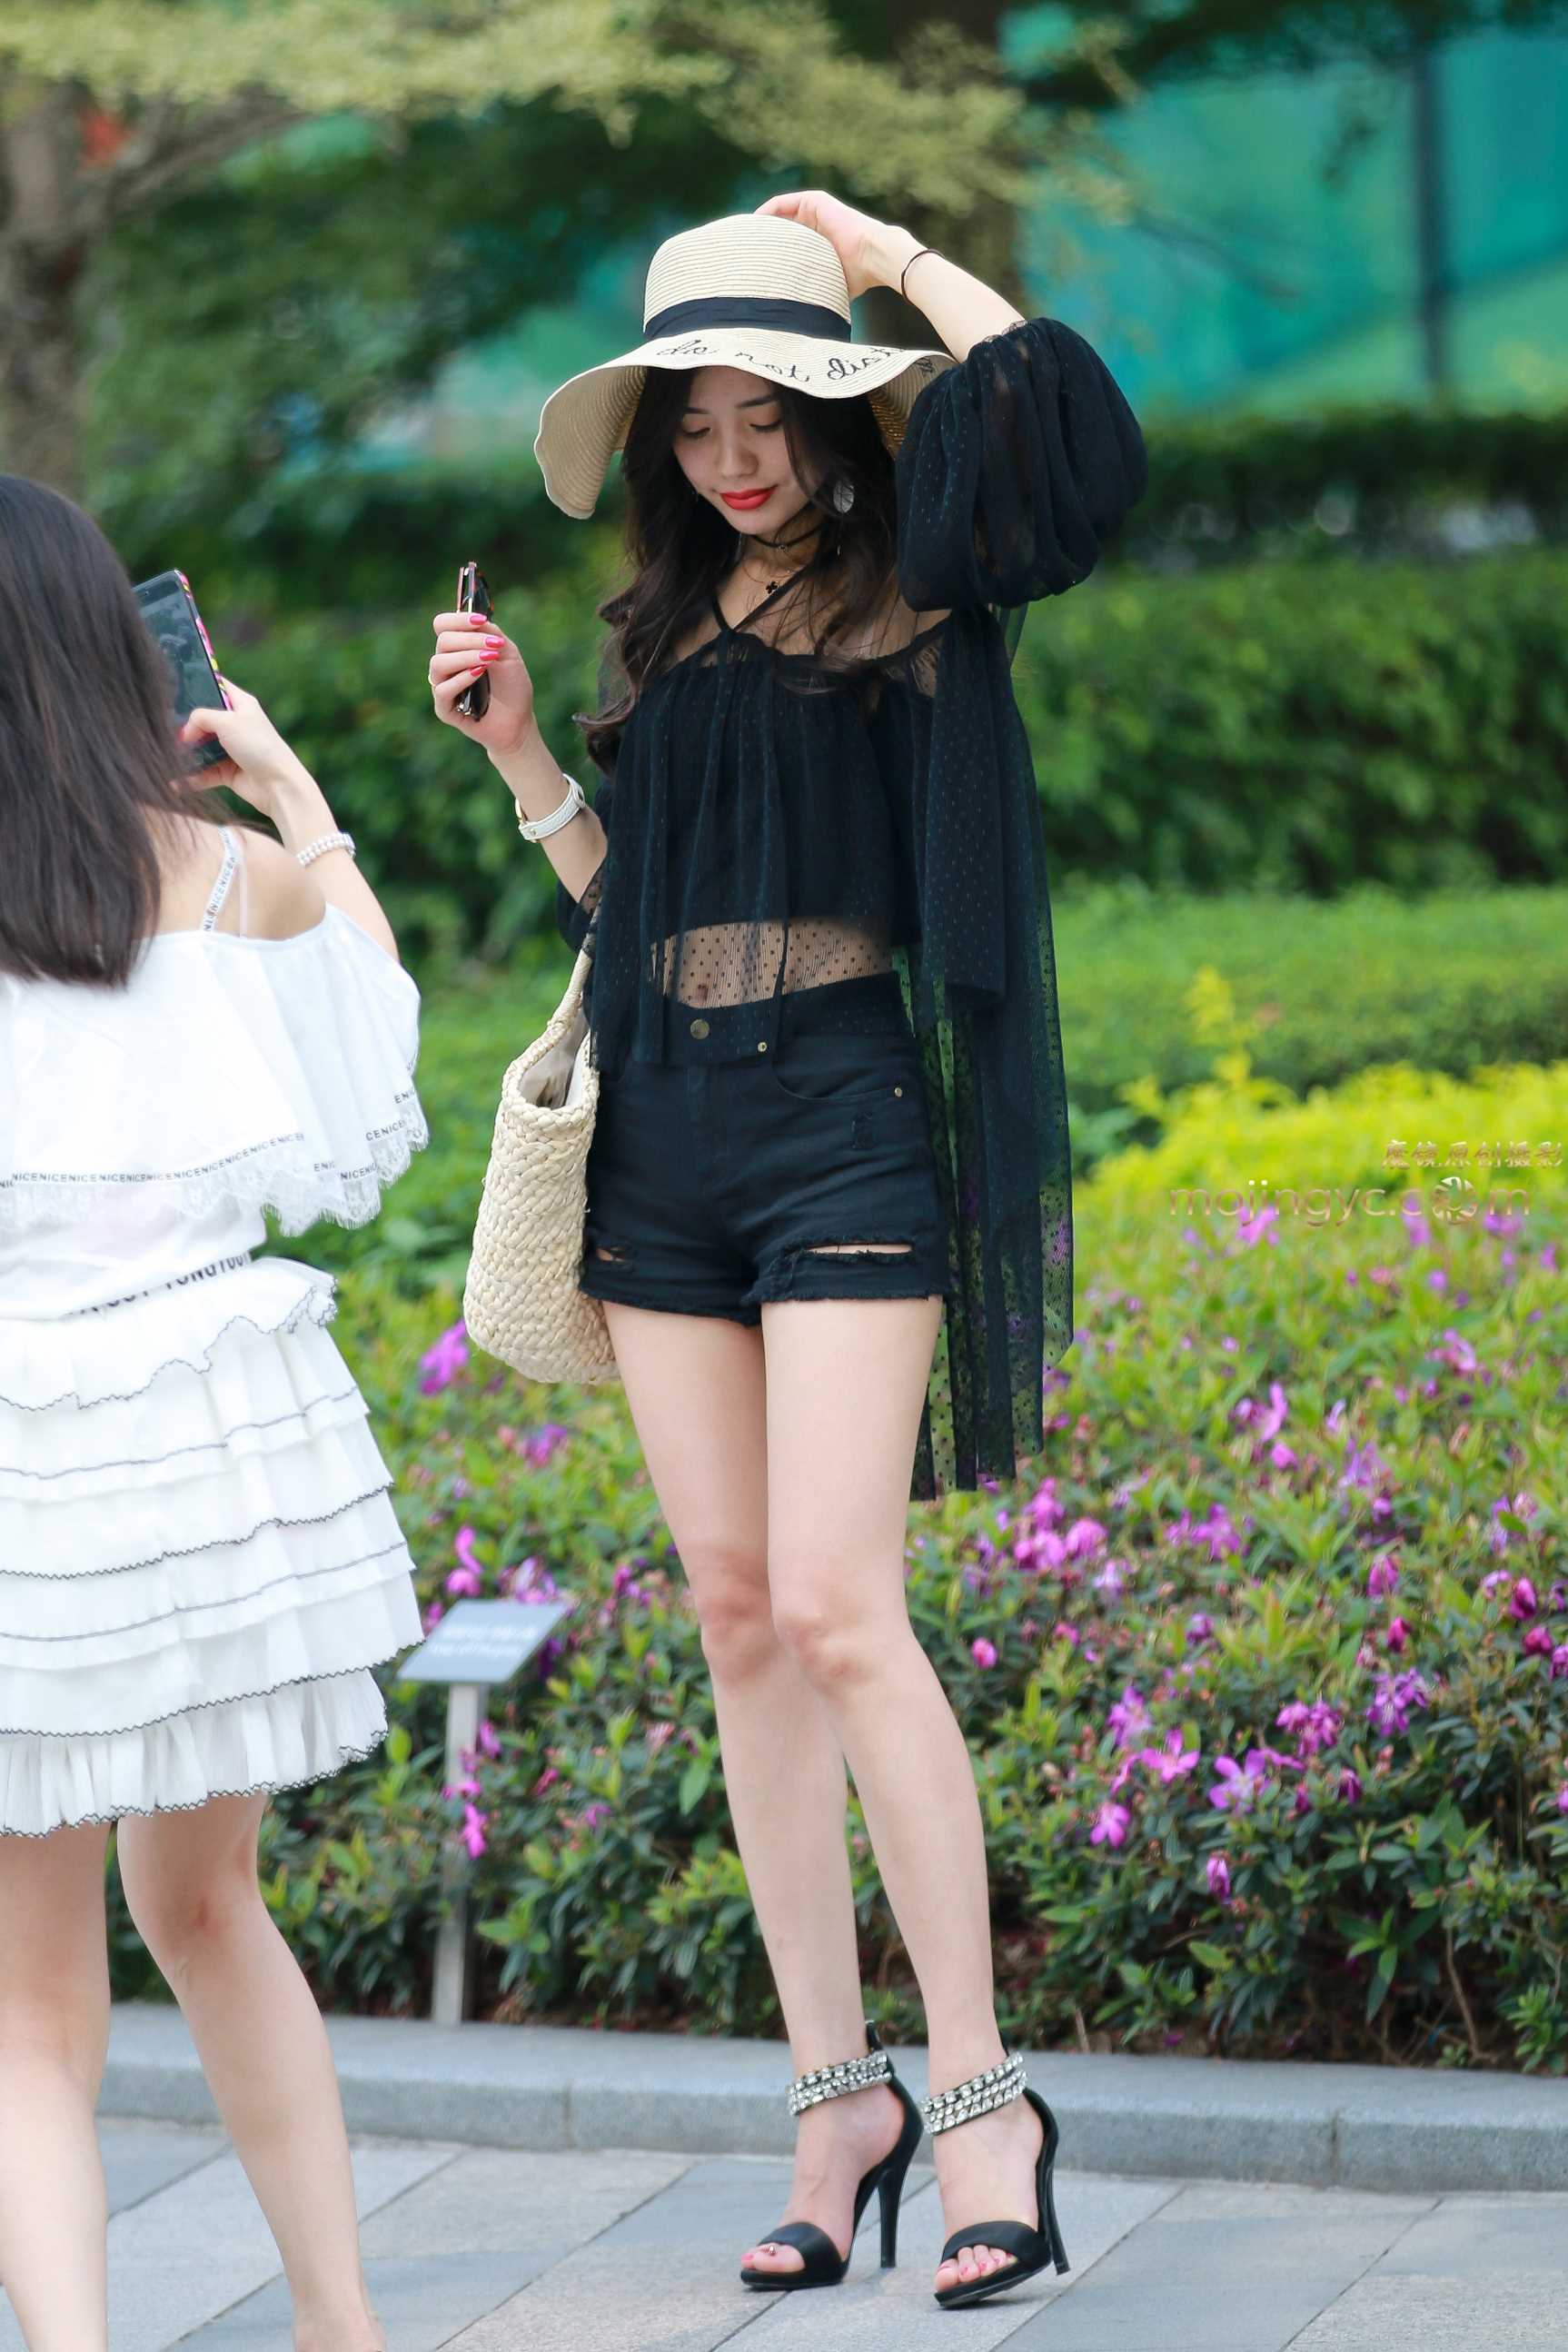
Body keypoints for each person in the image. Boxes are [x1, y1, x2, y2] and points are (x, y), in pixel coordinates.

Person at [429, 194, 1146, 2310]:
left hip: (841, 1118)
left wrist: (897, 255)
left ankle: (981, 2096)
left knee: (840, 1603)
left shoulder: (919, 574)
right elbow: (638, 915)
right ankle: (833, 2103)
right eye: (698, 421)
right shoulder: (662, 625)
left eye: (768, 414)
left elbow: (1063, 425)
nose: (733, 456)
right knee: (739, 1616)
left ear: (833, 414)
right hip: (662, 1146)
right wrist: (522, 753)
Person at [0, 474, 429, 2352]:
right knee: (210, 1906)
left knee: (27, 2003)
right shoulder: (220, 870)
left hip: (26, 1459)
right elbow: (377, 1038)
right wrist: (294, 793)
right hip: (208, 1438)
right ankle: (341, 2325)